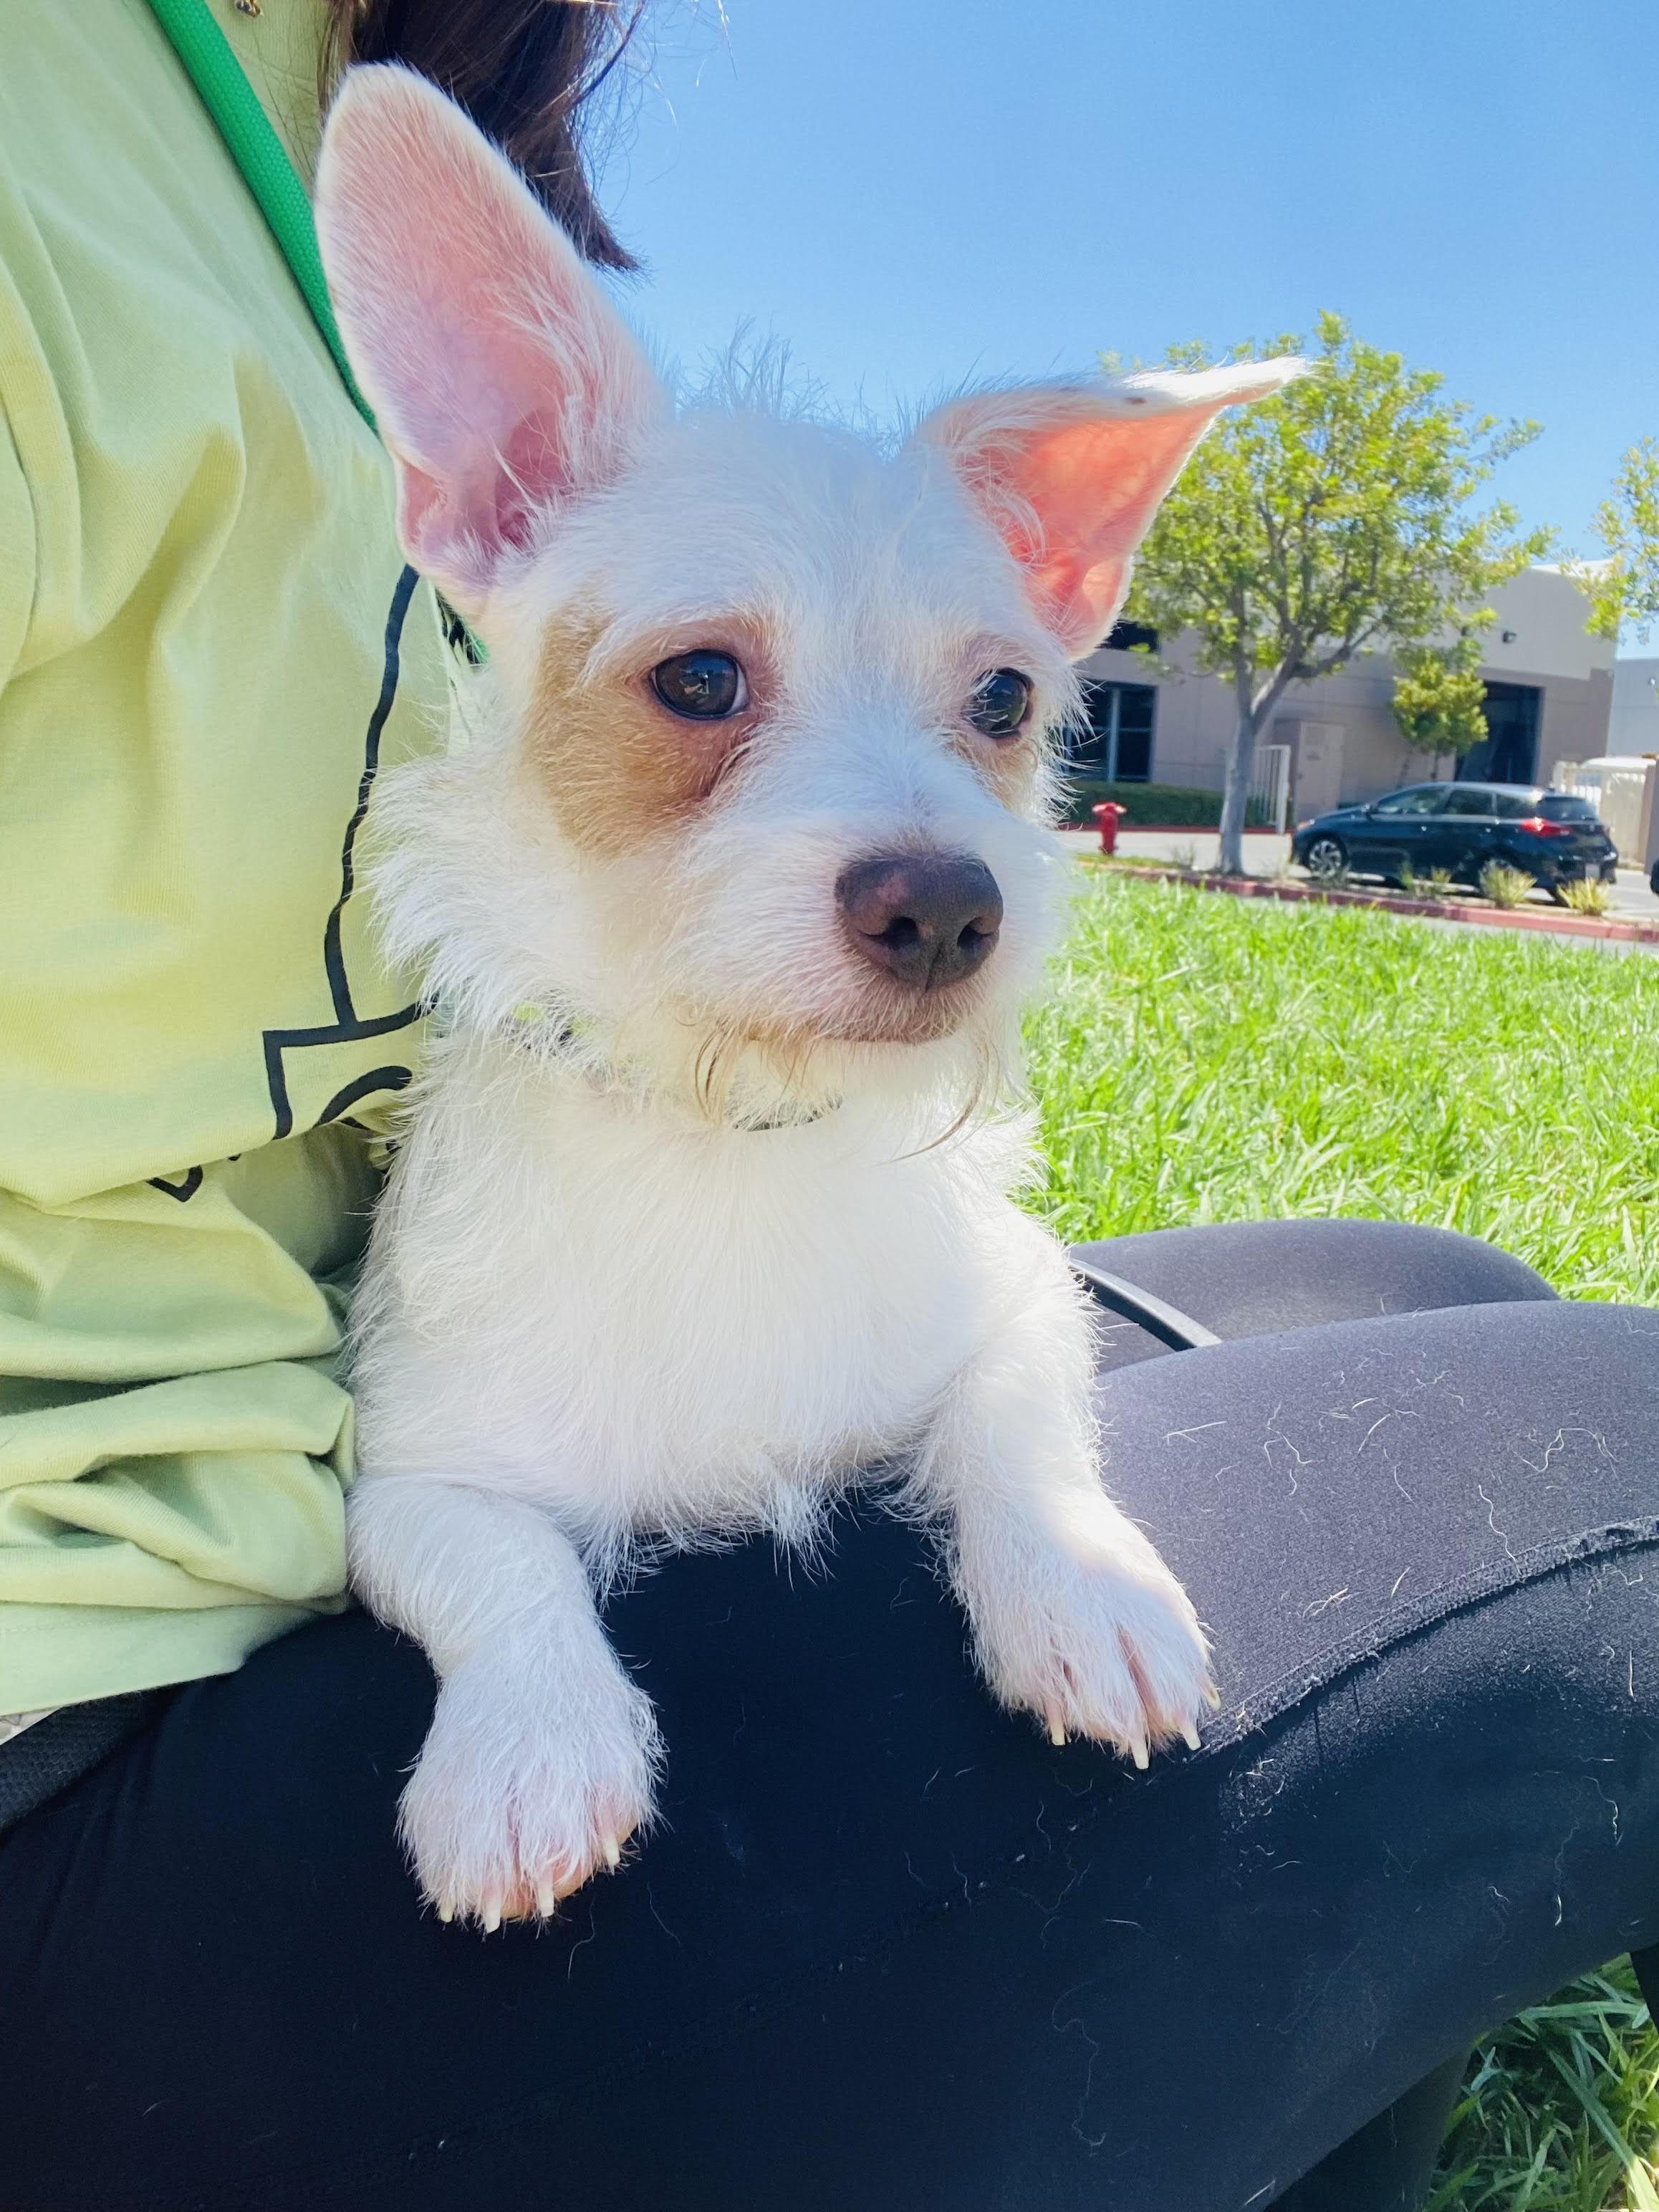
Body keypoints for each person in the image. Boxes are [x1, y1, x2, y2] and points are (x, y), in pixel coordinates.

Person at [1, 9, 1655, 2208]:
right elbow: (445, 1482)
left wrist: (1032, 1515)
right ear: (475, 502)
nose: (925, 854)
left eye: (989, 705)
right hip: (97, 1765)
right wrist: (520, 1660)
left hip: (708, 1310)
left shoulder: (349, 86)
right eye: (706, 687)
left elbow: (990, 1319)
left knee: (1419, 1286)